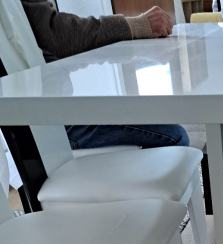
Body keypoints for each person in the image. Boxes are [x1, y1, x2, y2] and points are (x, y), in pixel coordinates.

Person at [21, 0, 189, 148]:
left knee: (153, 117)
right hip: (57, 125)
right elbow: (55, 34)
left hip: (55, 113)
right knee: (175, 136)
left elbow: (50, 42)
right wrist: (135, 26)